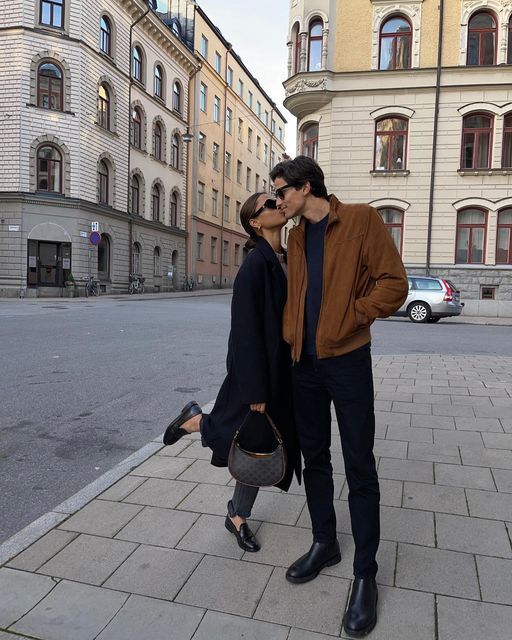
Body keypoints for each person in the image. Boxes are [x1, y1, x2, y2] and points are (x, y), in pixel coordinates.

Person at [270, 156, 408, 638]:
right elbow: (295, 298)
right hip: (303, 366)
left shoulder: (361, 220)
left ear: (306, 188)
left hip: (347, 361)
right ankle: (324, 543)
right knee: (315, 459)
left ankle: (365, 573)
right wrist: (291, 339)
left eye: (281, 191)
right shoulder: (293, 237)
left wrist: (353, 316)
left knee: (360, 465)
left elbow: (394, 284)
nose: (277, 200)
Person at [163, 192, 301, 553]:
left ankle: (237, 514)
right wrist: (256, 388)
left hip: (277, 370)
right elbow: (244, 330)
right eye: (269, 204)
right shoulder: (255, 266)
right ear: (255, 222)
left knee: (258, 442)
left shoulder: (284, 258)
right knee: (240, 435)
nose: (278, 204)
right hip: (255, 371)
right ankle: (196, 422)